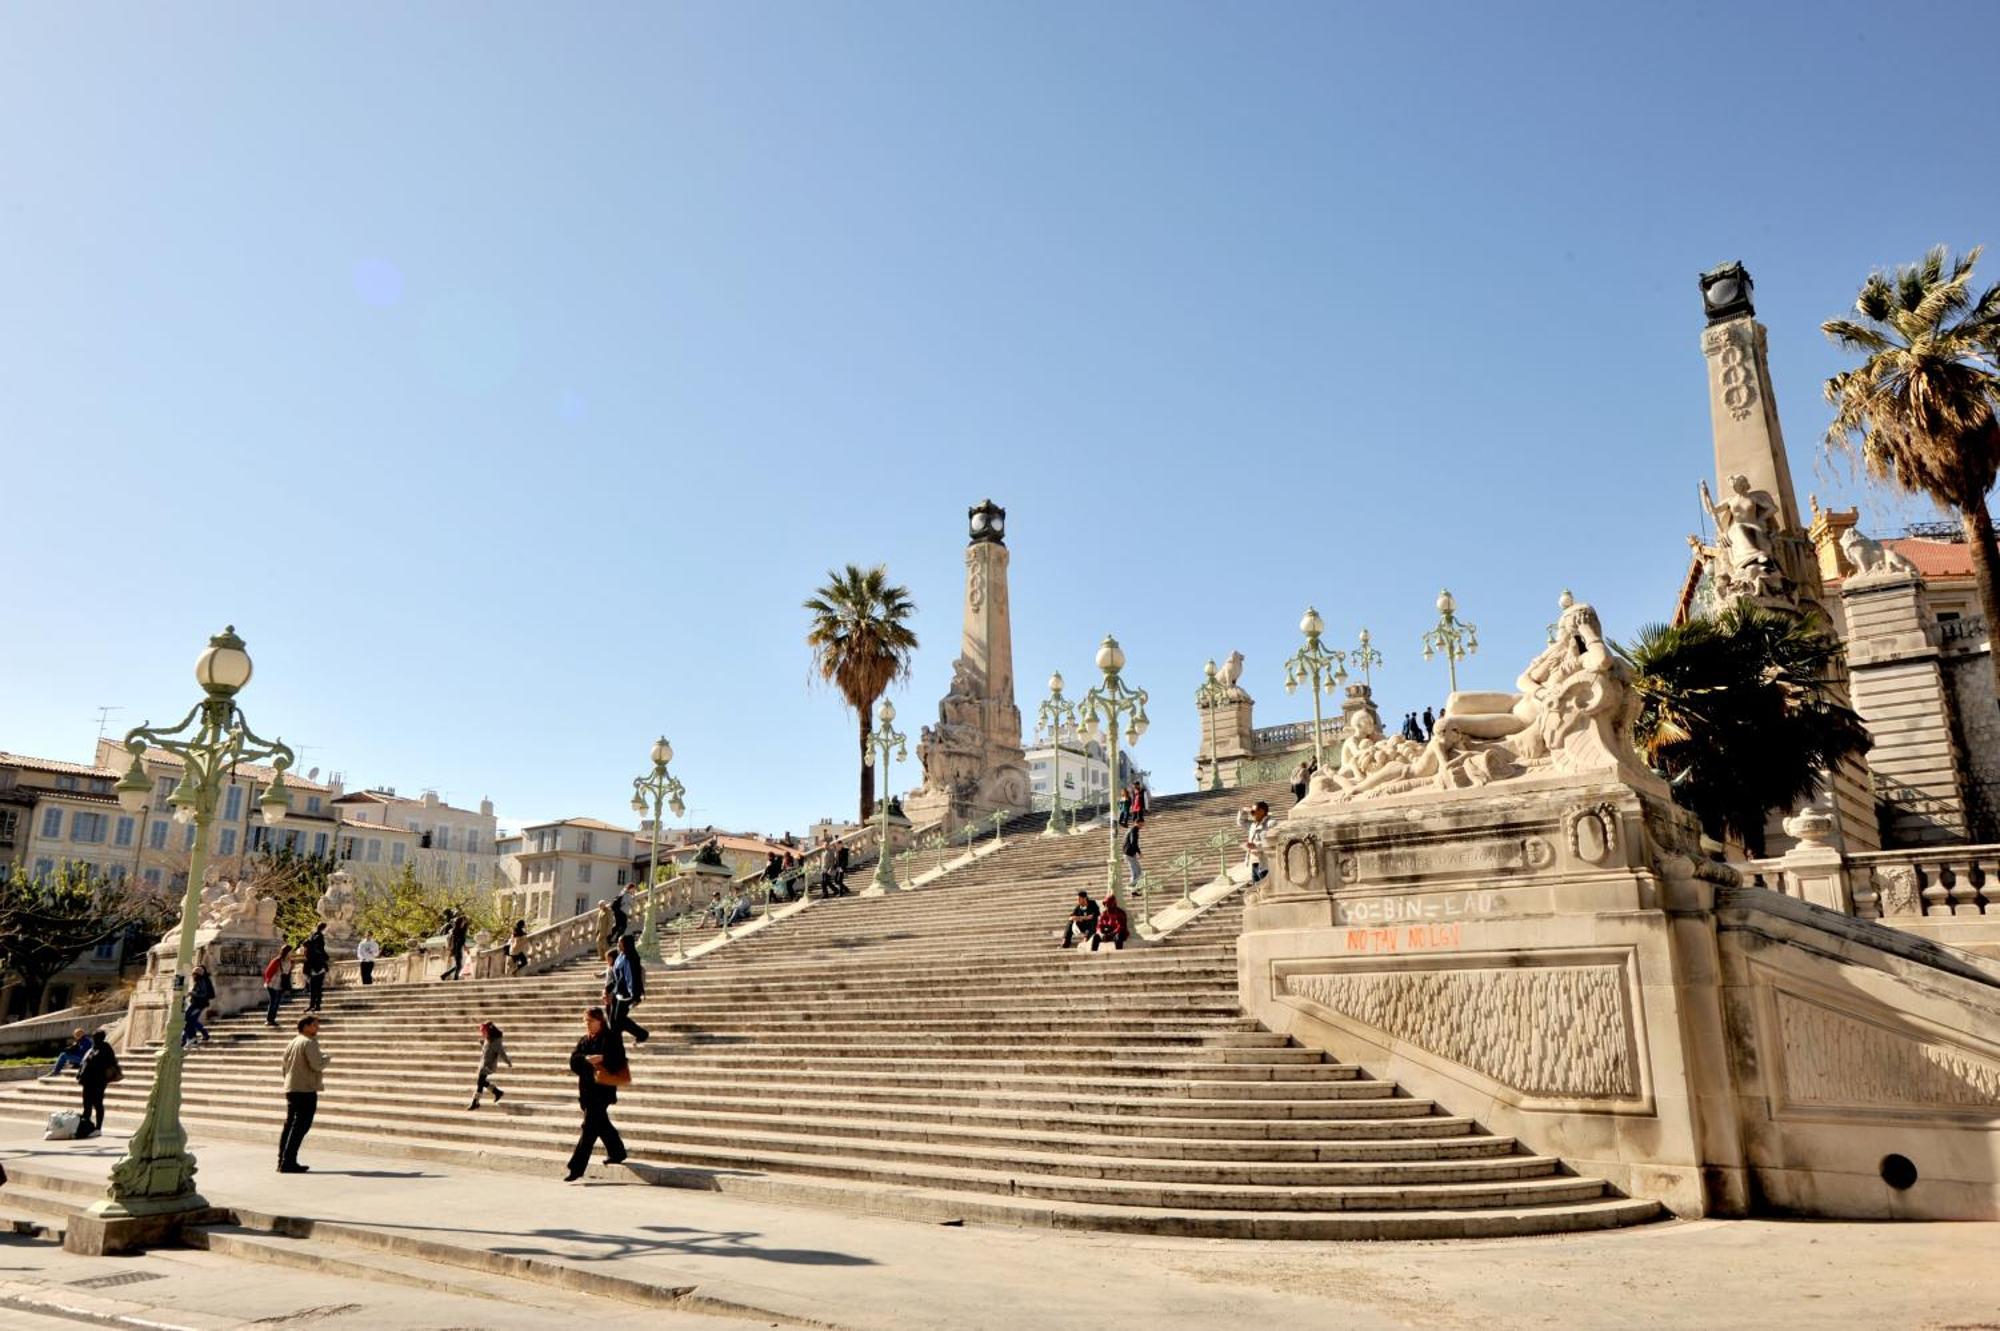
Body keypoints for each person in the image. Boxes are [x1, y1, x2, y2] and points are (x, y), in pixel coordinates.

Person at [564, 1006, 629, 1181]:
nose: (587, 1024)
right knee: (601, 1124)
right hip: (586, 1090)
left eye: (590, 1021)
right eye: (585, 1021)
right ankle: (618, 1152)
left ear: (600, 1021)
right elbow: (573, 1061)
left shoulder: (611, 1038)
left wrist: (603, 1058)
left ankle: (576, 1168)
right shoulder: (584, 1040)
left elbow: (620, 1060)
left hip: (603, 1089)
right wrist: (585, 1060)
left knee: (589, 1128)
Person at [279, 1013, 327, 1173]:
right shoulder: (309, 1042)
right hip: (305, 1088)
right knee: (301, 1126)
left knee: (290, 1125)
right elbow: (317, 1065)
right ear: (306, 1026)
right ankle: (288, 1161)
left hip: (291, 1087)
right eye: (314, 1025)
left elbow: (283, 1067)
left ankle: (283, 1159)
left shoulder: (292, 1042)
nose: (317, 1028)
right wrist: (327, 1058)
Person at [606, 935, 650, 1044]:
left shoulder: (632, 958)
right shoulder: (620, 956)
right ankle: (615, 1044)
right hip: (618, 992)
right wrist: (609, 988)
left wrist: (635, 996)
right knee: (613, 1020)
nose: (618, 945)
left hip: (627, 994)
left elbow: (633, 978)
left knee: (619, 1019)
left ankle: (641, 1034)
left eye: (620, 943)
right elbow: (616, 977)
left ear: (626, 944)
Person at [76, 1029, 119, 1137]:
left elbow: (108, 1063)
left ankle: (98, 1128)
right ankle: (86, 1125)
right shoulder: (93, 1048)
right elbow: (85, 1062)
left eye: (95, 1037)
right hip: (88, 1081)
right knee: (87, 1103)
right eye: (93, 1037)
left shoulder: (105, 1048)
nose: (93, 1039)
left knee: (97, 1103)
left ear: (101, 1038)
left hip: (98, 1081)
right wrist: (80, 1073)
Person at [469, 1020, 511, 1110]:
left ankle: (475, 1102)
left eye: (484, 1032)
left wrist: (508, 1062)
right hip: (483, 1064)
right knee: (481, 1082)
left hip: (488, 1066)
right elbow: (486, 1048)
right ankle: (496, 1092)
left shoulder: (496, 1042)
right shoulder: (488, 1039)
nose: (483, 1034)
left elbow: (502, 1053)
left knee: (480, 1082)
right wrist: (482, 1043)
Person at [182, 964, 216, 1049]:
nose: (193, 975)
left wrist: (192, 993)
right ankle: (192, 1039)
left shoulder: (202, 981)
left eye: (194, 974)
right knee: (189, 1020)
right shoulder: (199, 981)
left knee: (190, 1020)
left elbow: (203, 993)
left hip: (199, 1005)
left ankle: (192, 1039)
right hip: (195, 1004)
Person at [1238, 801, 1271, 883]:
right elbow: (1241, 822)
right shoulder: (1253, 825)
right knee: (1257, 890)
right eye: (1251, 812)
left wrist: (1255, 845)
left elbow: (1273, 841)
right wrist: (1243, 811)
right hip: (1254, 862)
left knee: (1266, 889)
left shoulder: (1271, 823)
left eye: (1254, 812)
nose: (1252, 814)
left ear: (1262, 811)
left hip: (1266, 863)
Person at [301, 923, 331, 1012]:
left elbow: (309, 960)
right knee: (317, 988)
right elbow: (321, 951)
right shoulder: (318, 938)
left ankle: (313, 1005)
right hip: (319, 968)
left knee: (314, 988)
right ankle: (316, 1005)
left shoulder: (313, 937)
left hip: (315, 968)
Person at [262, 944, 294, 1027]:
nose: (292, 953)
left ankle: (272, 1019)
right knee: (273, 1002)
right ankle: (269, 1020)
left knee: (277, 1002)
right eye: (290, 951)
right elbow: (268, 972)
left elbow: (288, 973)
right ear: (286, 952)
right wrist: (267, 981)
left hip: (281, 985)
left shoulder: (290, 962)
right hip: (272, 984)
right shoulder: (277, 960)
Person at [439, 910, 470, 981]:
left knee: (459, 965)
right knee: (459, 965)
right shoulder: (456, 931)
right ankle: (453, 978)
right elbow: (456, 939)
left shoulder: (461, 931)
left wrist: (465, 947)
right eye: (464, 921)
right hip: (456, 947)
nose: (464, 923)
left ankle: (445, 975)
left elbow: (463, 939)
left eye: (465, 921)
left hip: (459, 947)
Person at [1122, 820, 1142, 889]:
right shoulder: (1134, 830)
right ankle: (1133, 889)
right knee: (1136, 872)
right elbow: (1134, 842)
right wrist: (1139, 852)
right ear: (1139, 823)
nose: (1143, 826)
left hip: (1129, 853)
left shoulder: (1131, 830)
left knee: (1138, 871)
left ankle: (1135, 887)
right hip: (1129, 854)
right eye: (1142, 824)